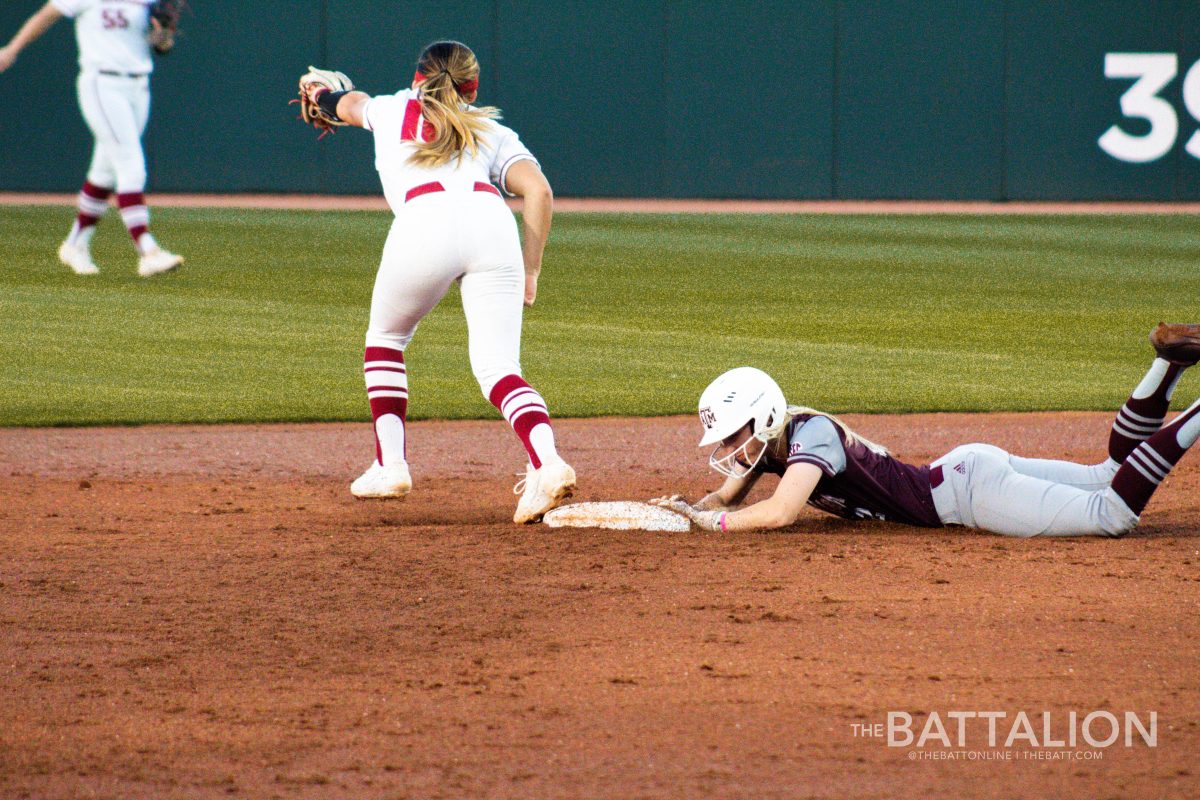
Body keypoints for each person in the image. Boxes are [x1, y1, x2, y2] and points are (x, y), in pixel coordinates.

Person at [294, 40, 575, 523]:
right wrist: (530, 270)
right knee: (498, 366)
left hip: (424, 222)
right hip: (492, 223)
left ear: (417, 77)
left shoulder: (388, 108)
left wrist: (321, 93)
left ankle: (392, 464)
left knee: (385, 340)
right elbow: (539, 190)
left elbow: (342, 103)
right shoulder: (490, 129)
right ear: (473, 86)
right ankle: (547, 462)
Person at [651, 323, 1200, 537]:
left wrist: (713, 525)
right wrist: (681, 511)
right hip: (965, 472)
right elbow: (722, 495)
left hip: (970, 494)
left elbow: (778, 513)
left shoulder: (810, 437)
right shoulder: (775, 442)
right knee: (1106, 474)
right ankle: (1169, 364)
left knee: (1113, 515)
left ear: (763, 415)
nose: (728, 449)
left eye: (731, 435)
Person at [0, 0, 184, 277]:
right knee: (130, 163)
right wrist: (12, 49)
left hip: (139, 84)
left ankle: (76, 243)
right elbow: (46, 16)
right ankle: (148, 251)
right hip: (102, 84)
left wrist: (163, 38)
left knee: (104, 172)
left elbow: (160, 45)